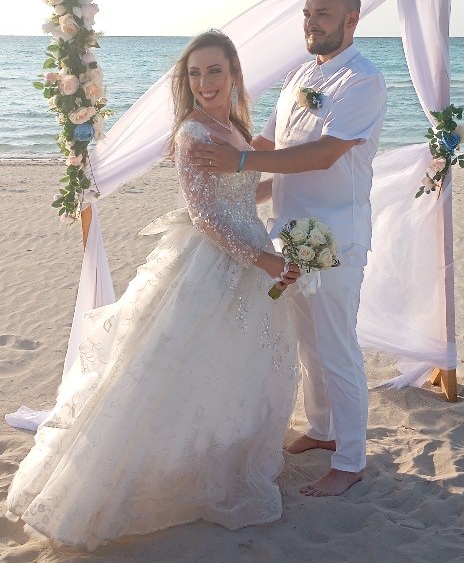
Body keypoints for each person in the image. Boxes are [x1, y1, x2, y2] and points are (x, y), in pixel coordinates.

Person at [6, 30, 300, 550]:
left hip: (246, 250)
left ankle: (217, 456)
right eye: (195, 73)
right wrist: (264, 259)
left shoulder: (231, 126)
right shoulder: (193, 132)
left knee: (232, 367)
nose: (205, 82)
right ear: (185, 82)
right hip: (214, 261)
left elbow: (235, 192)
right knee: (176, 367)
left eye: (214, 71)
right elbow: (205, 215)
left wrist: (288, 183)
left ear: (233, 74)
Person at [190, 0, 387, 497]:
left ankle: (350, 460)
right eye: (307, 13)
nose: (311, 22)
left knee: (338, 347)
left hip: (337, 237)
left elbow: (322, 154)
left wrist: (242, 161)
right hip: (291, 235)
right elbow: (268, 141)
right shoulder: (301, 73)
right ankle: (322, 430)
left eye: (323, 13)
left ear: (351, 20)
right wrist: (225, 186)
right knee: (308, 342)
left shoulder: (363, 80)